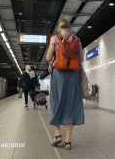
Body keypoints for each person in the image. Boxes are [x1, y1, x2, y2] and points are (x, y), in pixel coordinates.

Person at [46, 16, 84, 149]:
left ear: (59, 28)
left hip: (58, 74)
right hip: (73, 75)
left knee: (56, 102)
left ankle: (58, 134)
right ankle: (67, 141)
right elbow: (82, 58)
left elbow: (49, 57)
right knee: (70, 105)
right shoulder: (76, 39)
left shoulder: (55, 38)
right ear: (70, 28)